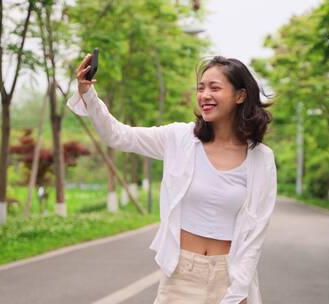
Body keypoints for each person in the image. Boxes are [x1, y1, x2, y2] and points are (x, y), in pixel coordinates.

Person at [67, 54, 277, 304]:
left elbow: (255, 232)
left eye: (215, 88)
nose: (205, 95)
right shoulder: (180, 138)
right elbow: (119, 136)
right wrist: (88, 94)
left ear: (240, 95)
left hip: (229, 277)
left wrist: (238, 291)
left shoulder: (260, 158)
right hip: (181, 276)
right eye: (201, 88)